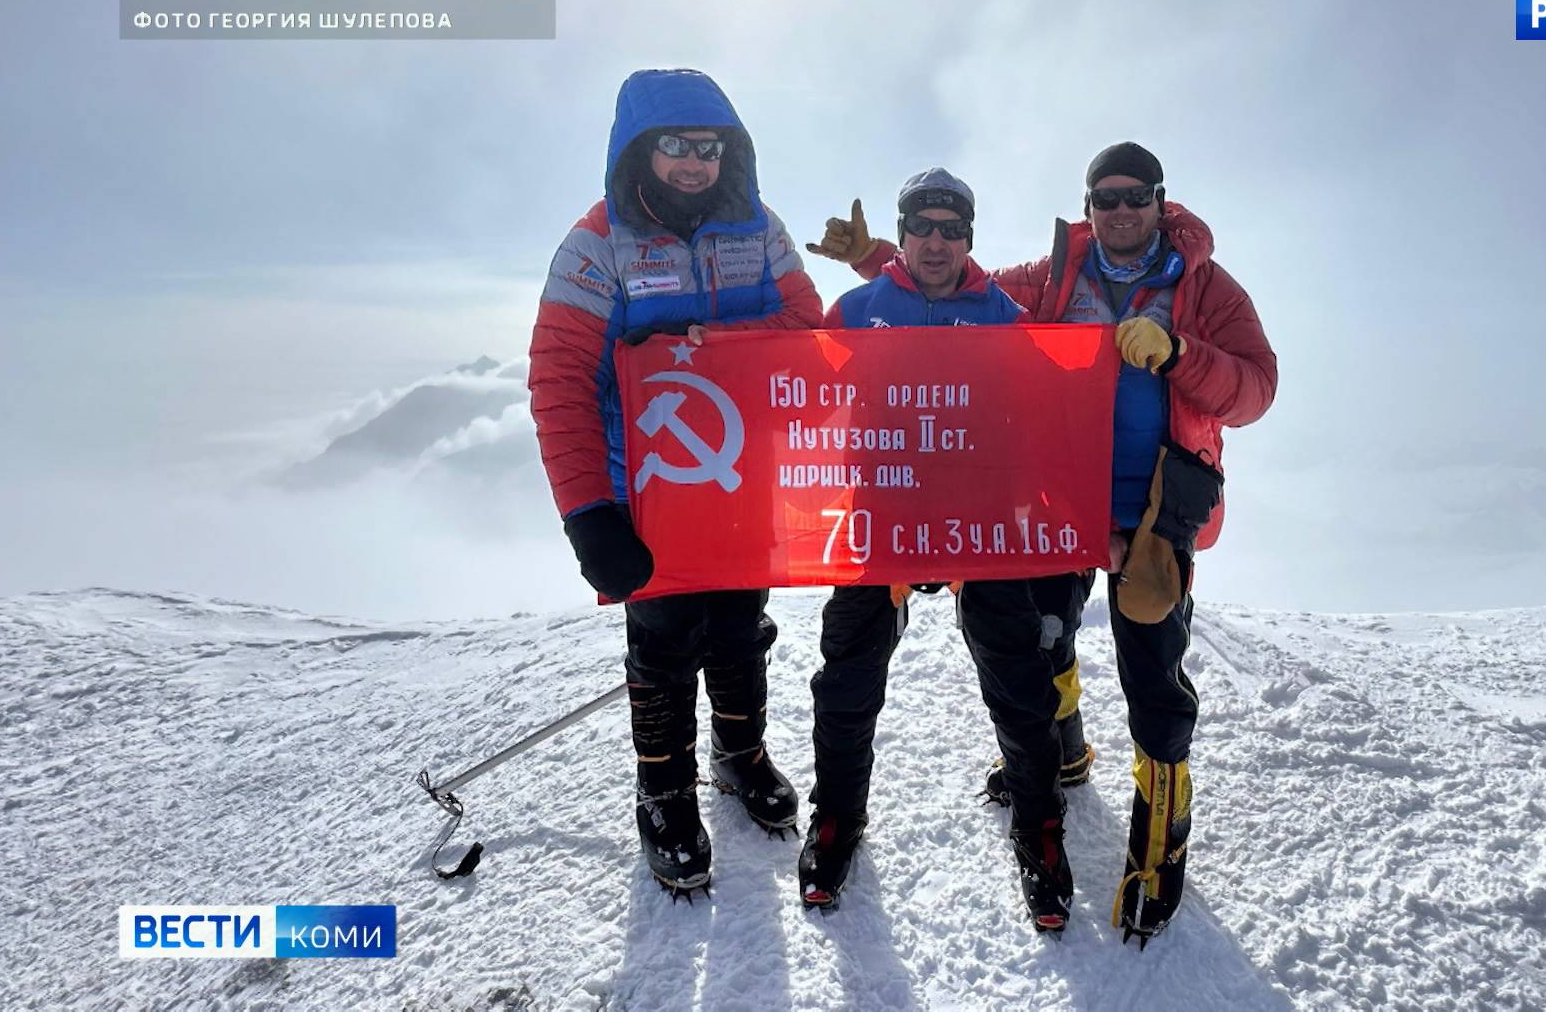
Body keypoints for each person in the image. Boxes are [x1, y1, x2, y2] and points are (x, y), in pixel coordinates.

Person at [808, 142, 1278, 943]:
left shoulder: (1205, 288)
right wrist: (876, 259)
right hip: (1060, 503)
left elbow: (1257, 387)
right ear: (1088, 205)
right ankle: (1059, 765)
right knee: (1043, 645)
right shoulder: (1059, 273)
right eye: (1107, 197)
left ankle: (1158, 855)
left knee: (1152, 687)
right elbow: (943, 289)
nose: (1122, 210)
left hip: (1159, 509)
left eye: (1137, 197)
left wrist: (1182, 355)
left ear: (1161, 202)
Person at [529, 68, 823, 897]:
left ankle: (740, 754)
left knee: (739, 628)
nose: (695, 164)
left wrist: (707, 340)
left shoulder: (759, 230)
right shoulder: (594, 246)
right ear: (638, 151)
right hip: (645, 496)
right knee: (660, 650)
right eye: (675, 147)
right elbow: (558, 381)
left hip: (741, 485)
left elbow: (807, 325)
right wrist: (588, 513)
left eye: (709, 147)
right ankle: (662, 792)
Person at [796, 169, 1081, 933]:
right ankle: (836, 821)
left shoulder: (1002, 314)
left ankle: (1039, 826)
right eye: (922, 226)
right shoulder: (857, 309)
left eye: (951, 229)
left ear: (969, 239)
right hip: (881, 519)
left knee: (1021, 686)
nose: (935, 242)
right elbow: (792, 392)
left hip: (980, 521)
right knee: (847, 682)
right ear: (904, 232)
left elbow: (1051, 409)